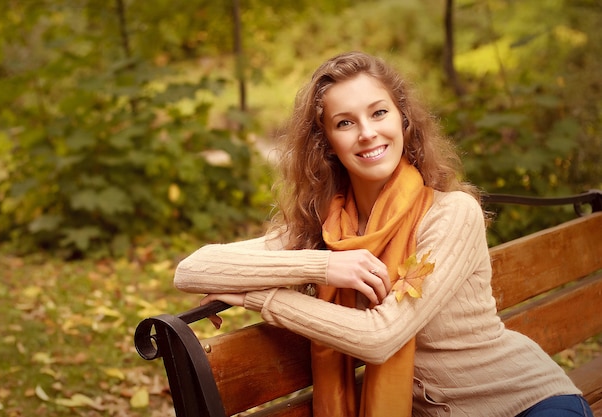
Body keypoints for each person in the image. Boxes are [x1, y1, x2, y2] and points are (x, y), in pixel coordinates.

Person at [174, 52, 593, 417]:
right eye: (345, 122)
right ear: (327, 144)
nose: (367, 132)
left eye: (379, 113)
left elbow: (380, 337)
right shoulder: (328, 227)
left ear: (403, 121)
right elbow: (193, 270)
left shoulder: (450, 215)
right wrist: (325, 264)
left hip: (528, 403)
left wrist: (256, 296)